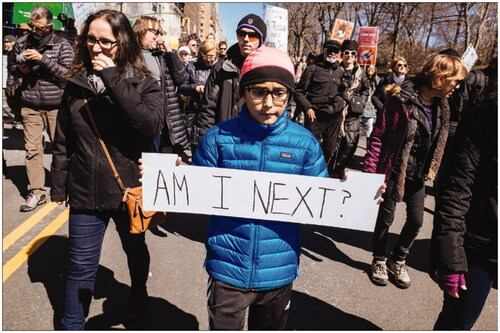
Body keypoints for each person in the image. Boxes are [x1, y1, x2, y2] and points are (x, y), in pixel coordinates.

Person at [193, 46, 328, 330]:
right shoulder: (217, 138)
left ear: (289, 96)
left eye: (279, 93)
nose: (269, 103)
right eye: (258, 92)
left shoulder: (305, 144)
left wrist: (353, 195)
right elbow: (194, 191)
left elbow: (321, 202)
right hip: (226, 267)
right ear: (243, 92)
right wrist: (167, 177)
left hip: (278, 271)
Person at [50, 9, 164, 329]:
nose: (96, 48)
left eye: (105, 42)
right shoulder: (76, 83)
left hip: (128, 188)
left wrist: (113, 77)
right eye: (91, 40)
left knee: (134, 249)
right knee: (80, 267)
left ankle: (138, 292)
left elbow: (150, 124)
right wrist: (58, 184)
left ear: (122, 42)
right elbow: (63, 139)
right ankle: (72, 324)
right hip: (86, 190)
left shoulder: (144, 83)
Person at [363, 53, 467, 288]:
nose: (457, 86)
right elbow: (378, 136)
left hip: (418, 175)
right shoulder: (398, 101)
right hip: (393, 171)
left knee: (417, 221)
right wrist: (371, 175)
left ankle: (398, 259)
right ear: (440, 78)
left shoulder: (444, 107)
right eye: (455, 81)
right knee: (386, 218)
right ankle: (379, 259)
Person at [431, 73, 497, 330]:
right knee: (457, 321)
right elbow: (455, 190)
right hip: (479, 248)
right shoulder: (485, 118)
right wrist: (451, 260)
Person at [8, 6, 74, 212]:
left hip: (56, 106)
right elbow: (11, 68)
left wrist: (43, 60)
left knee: (61, 149)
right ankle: (36, 192)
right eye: (33, 27)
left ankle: (64, 188)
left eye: (41, 28)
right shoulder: (21, 42)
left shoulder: (62, 44)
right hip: (30, 104)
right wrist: (20, 68)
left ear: (50, 26)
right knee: (32, 150)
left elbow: (69, 74)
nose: (36, 32)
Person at [196, 13, 266, 136]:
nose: (246, 39)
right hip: (224, 137)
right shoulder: (220, 68)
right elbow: (208, 108)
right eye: (242, 34)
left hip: (255, 140)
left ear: (261, 40)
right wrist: (206, 139)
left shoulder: (268, 69)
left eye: (253, 36)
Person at [133, 16, 189, 155]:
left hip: (165, 122)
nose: (158, 36)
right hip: (141, 120)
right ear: (141, 31)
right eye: (155, 32)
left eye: (160, 33)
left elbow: (181, 79)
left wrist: (170, 51)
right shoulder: (131, 56)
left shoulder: (161, 56)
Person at [294, 39, 345, 177]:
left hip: (334, 117)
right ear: (324, 50)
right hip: (315, 115)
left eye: (335, 51)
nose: (332, 53)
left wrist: (342, 103)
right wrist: (308, 108)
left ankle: (323, 174)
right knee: (311, 148)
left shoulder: (340, 71)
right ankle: (308, 175)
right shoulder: (313, 68)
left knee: (330, 149)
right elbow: (298, 92)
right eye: (329, 50)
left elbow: (344, 92)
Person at [332, 39, 369, 177]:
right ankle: (331, 170)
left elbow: (366, 90)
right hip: (335, 112)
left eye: (353, 53)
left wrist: (361, 102)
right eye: (346, 53)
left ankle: (340, 169)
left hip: (353, 114)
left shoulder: (360, 73)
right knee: (333, 144)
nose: (349, 56)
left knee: (350, 144)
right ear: (342, 54)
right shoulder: (335, 69)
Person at [178, 40, 219, 153]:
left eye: (211, 56)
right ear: (201, 53)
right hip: (195, 113)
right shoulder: (192, 67)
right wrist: (195, 88)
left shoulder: (220, 68)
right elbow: (181, 86)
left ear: (216, 54)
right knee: (196, 148)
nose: (209, 59)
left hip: (213, 114)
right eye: (205, 55)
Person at [361, 64, 380, 142]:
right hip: (361, 105)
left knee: (369, 127)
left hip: (371, 107)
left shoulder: (377, 80)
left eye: (373, 68)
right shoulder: (362, 78)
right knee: (358, 128)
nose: (370, 69)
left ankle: (368, 146)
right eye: (369, 68)